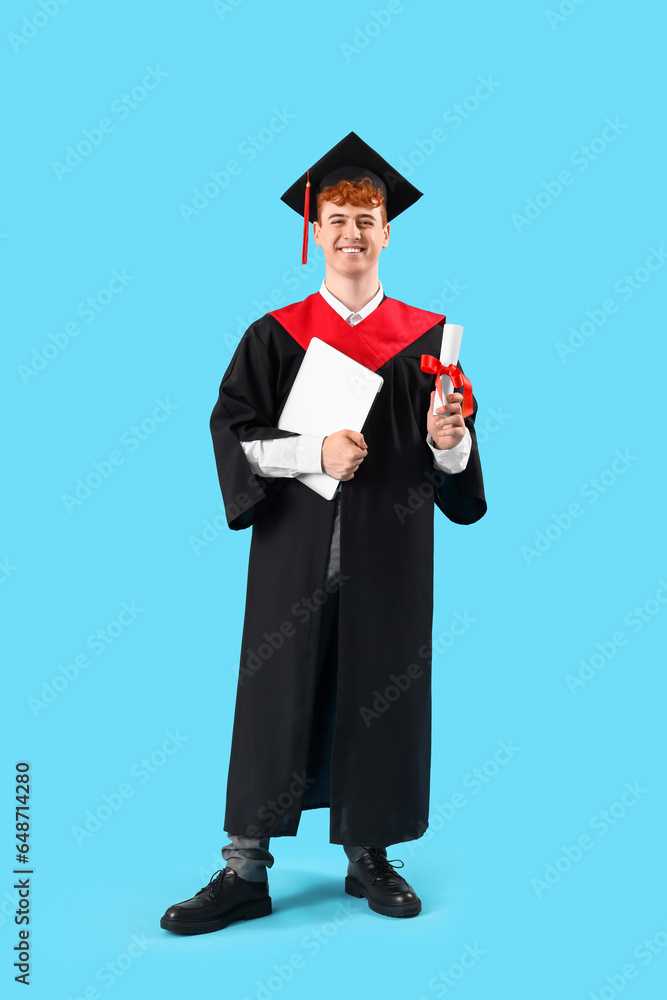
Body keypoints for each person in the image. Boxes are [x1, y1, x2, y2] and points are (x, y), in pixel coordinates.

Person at [160, 132, 486, 935]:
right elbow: (232, 438)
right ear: (316, 229)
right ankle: (245, 868)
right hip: (293, 555)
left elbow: (456, 470)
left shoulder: (428, 336)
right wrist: (313, 450)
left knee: (384, 689)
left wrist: (449, 437)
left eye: (365, 221)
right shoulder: (274, 334)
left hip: (390, 555)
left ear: (386, 233)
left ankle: (369, 854)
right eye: (337, 218)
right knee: (274, 694)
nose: (351, 234)